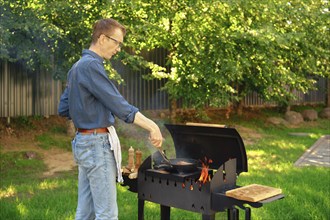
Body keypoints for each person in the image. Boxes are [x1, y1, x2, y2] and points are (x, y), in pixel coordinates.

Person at [58, 18, 163, 220]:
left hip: (83, 143)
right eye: (117, 42)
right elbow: (119, 105)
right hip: (97, 145)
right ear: (102, 38)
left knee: (85, 212)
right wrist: (152, 126)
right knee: (107, 214)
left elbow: (63, 108)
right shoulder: (90, 66)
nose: (118, 49)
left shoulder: (77, 67)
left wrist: (87, 110)